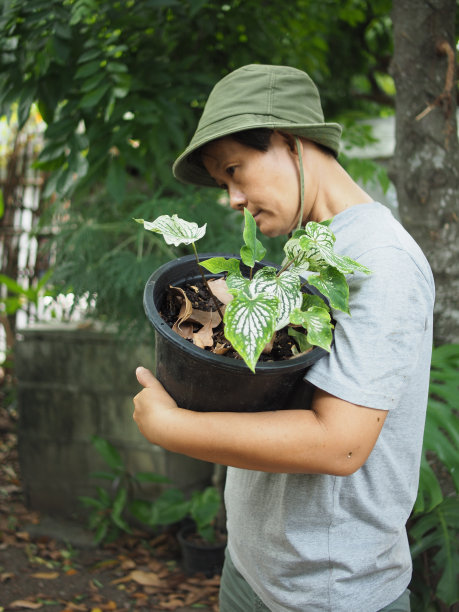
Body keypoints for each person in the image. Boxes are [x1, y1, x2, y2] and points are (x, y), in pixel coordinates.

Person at [133, 64, 435, 612]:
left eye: (234, 170)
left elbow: (340, 443)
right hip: (252, 570)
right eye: (224, 182)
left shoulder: (380, 260)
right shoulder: (305, 250)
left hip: (330, 594)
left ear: (292, 141)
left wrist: (173, 427)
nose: (231, 198)